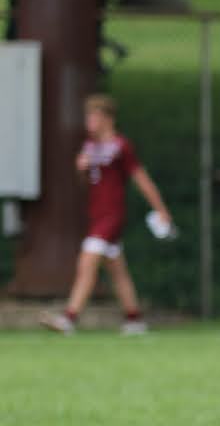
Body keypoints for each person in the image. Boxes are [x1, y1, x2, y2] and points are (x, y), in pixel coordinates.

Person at [40, 95, 174, 336]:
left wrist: (160, 209)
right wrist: (80, 169)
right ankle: (134, 319)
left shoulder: (120, 146)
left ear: (108, 119)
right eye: (88, 116)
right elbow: (88, 183)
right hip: (97, 214)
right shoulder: (89, 147)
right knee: (117, 270)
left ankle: (69, 318)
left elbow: (140, 179)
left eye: (94, 116)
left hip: (112, 215)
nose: (89, 121)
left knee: (87, 261)